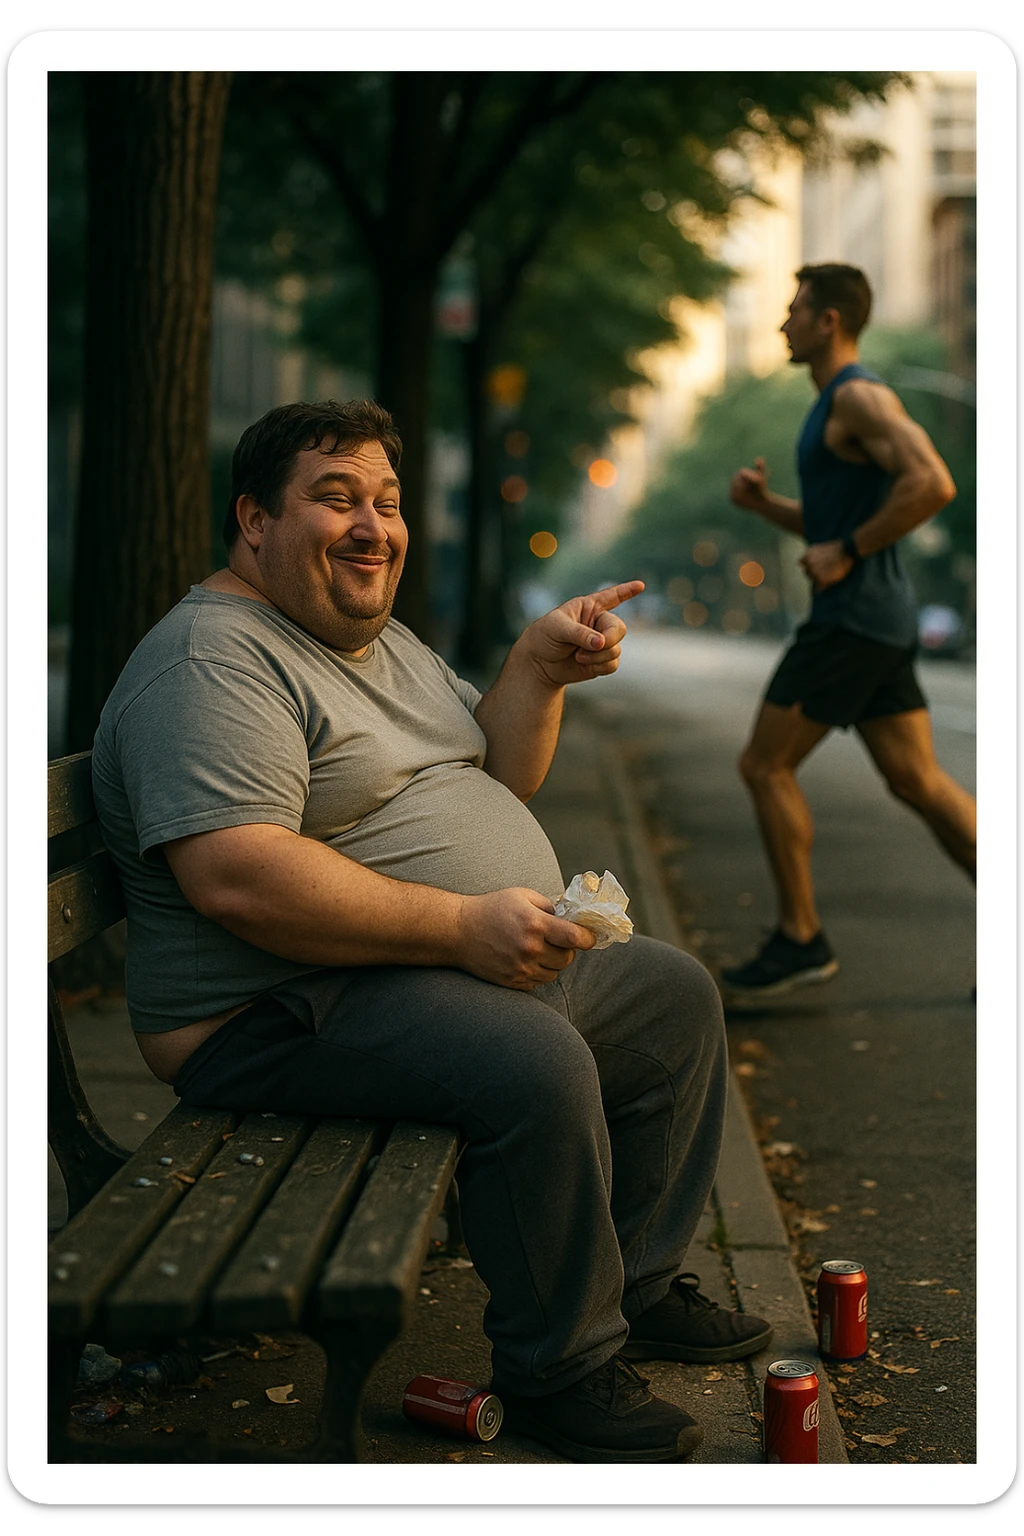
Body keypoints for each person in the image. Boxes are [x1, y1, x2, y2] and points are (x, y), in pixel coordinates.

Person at [91, 398, 773, 1465]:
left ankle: (636, 1288)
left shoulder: (378, 640)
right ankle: (560, 1371)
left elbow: (497, 770)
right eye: (333, 498)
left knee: (671, 996)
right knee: (533, 1061)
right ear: (253, 520)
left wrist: (536, 670)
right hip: (269, 1008)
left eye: (387, 502)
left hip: (401, 971)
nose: (373, 527)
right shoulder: (215, 661)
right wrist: (461, 926)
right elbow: (235, 876)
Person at [722, 263, 976, 998]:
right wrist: (769, 507)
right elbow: (833, 524)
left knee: (763, 765)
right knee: (918, 781)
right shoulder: (832, 406)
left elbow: (933, 482)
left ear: (829, 320)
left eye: (795, 309)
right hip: (879, 621)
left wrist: (849, 552)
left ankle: (801, 937)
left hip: (853, 621)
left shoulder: (858, 395)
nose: (783, 323)